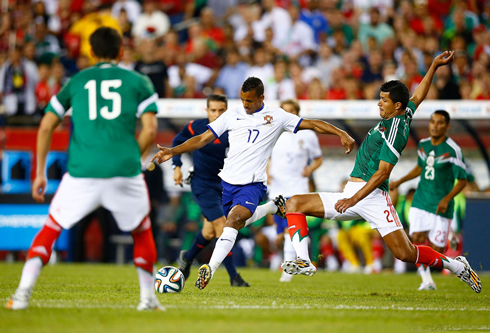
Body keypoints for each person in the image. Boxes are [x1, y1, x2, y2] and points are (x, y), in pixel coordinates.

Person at [280, 51, 482, 294]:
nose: (378, 103)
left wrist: (353, 199)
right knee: (295, 204)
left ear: (396, 105)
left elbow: (384, 172)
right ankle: (304, 261)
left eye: (383, 100)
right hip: (352, 192)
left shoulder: (396, 129)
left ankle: (457, 267)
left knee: (405, 253)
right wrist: (434, 66)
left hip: (372, 197)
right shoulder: (404, 112)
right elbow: (418, 95)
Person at [6, 27, 163, 311]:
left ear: (91, 52)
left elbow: (45, 126)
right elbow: (150, 131)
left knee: (51, 229)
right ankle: (147, 299)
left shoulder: (76, 81)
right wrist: (132, 159)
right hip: (124, 170)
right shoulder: (138, 81)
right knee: (141, 231)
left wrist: (40, 171)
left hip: (82, 171)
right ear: (121, 51)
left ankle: (21, 295)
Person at [151, 76, 355, 290]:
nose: (245, 105)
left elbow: (312, 124)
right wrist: (173, 151)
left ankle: (209, 269)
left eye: (249, 100)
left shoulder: (277, 116)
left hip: (252, 185)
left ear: (261, 98)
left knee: (232, 221)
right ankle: (271, 207)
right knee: (229, 225)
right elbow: (203, 138)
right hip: (226, 185)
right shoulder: (232, 114)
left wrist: (340, 132)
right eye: (242, 100)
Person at [174, 94, 265, 287]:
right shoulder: (196, 127)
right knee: (222, 225)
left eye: (221, 110)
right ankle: (234, 276)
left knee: (208, 232)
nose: (217, 114)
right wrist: (176, 166)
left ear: (227, 110)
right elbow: (178, 140)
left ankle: (187, 259)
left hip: (225, 184)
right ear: (206, 111)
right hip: (202, 184)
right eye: (213, 110)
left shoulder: (235, 128)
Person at [390, 110, 467, 290]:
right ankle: (426, 280)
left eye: (440, 123)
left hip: (441, 206)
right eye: (432, 121)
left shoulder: (453, 150)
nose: (435, 125)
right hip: (421, 201)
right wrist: (400, 181)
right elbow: (420, 168)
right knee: (415, 239)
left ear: (447, 127)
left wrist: (447, 199)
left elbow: (462, 180)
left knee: (436, 251)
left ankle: (451, 247)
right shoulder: (423, 144)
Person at [267, 99, 323, 282]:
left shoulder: (307, 135)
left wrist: (310, 169)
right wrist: (267, 173)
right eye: (285, 111)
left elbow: (318, 159)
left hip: (297, 186)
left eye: (292, 111)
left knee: (290, 228)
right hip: (277, 187)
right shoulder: (274, 132)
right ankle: (292, 258)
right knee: (282, 228)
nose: (288, 114)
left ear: (297, 113)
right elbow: (267, 156)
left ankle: (288, 268)